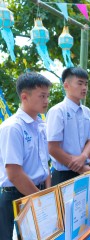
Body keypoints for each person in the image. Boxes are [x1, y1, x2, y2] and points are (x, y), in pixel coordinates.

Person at [0, 72, 52, 239]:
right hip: (16, 197)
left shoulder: (41, 125)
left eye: (47, 96)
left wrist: (47, 192)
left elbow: (45, 164)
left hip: (37, 192)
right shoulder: (13, 127)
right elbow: (14, 174)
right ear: (24, 96)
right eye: (42, 96)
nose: (46, 101)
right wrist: (40, 199)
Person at [46, 67, 90, 186]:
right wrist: (80, 168)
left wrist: (83, 157)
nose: (84, 88)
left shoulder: (87, 112)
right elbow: (52, 147)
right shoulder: (57, 111)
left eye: (86, 84)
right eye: (80, 83)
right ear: (66, 85)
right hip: (64, 175)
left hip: (85, 169)